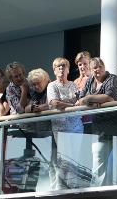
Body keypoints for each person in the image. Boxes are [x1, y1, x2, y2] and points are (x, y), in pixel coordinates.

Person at [76, 57, 117, 186]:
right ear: (91, 70)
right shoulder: (90, 81)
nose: (97, 69)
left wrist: (89, 98)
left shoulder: (112, 79)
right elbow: (80, 99)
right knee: (98, 157)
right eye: (94, 67)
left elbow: (109, 97)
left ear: (104, 67)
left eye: (100, 66)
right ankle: (97, 190)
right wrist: (93, 101)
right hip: (101, 126)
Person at [47, 57, 82, 190]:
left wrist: (65, 104)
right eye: (58, 67)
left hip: (76, 125)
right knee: (64, 159)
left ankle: (73, 186)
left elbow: (77, 100)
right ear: (54, 70)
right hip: (61, 127)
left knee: (75, 158)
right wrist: (71, 104)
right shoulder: (52, 85)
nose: (61, 69)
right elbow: (54, 103)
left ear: (68, 69)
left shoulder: (73, 84)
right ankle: (61, 187)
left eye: (64, 66)